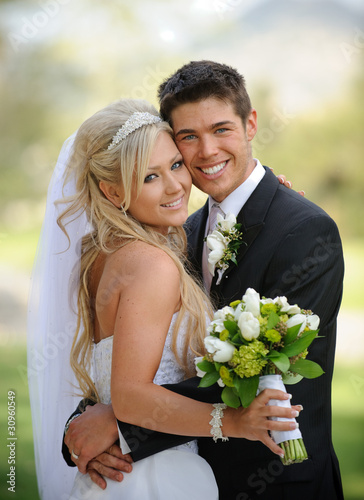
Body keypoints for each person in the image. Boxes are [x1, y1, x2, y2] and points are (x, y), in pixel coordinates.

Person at [62, 61, 345, 499]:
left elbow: (274, 378)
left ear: (251, 124)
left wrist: (118, 426)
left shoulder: (304, 231)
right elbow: (134, 354)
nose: (207, 151)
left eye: (221, 129)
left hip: (277, 479)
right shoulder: (178, 232)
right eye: (188, 138)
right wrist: (92, 424)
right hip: (184, 475)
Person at [28, 97, 301, 500]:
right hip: (156, 477)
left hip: (115, 476)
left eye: (175, 165)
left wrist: (272, 206)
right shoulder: (152, 264)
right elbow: (131, 396)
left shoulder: (102, 255)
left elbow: (113, 377)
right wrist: (233, 421)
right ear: (113, 190)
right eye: (149, 177)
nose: (175, 185)